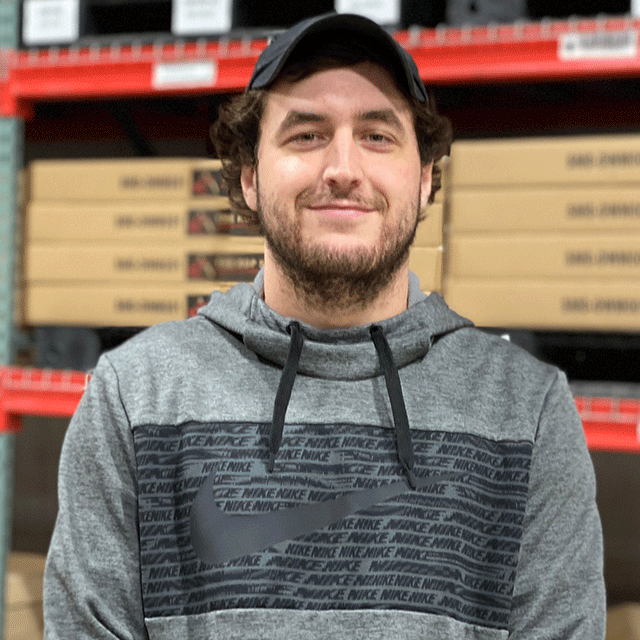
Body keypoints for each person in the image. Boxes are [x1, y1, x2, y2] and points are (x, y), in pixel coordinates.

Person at [43, 12, 606, 640]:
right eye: (307, 135)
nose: (342, 168)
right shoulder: (135, 396)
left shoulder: (527, 411)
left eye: (377, 136)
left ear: (425, 179)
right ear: (250, 177)